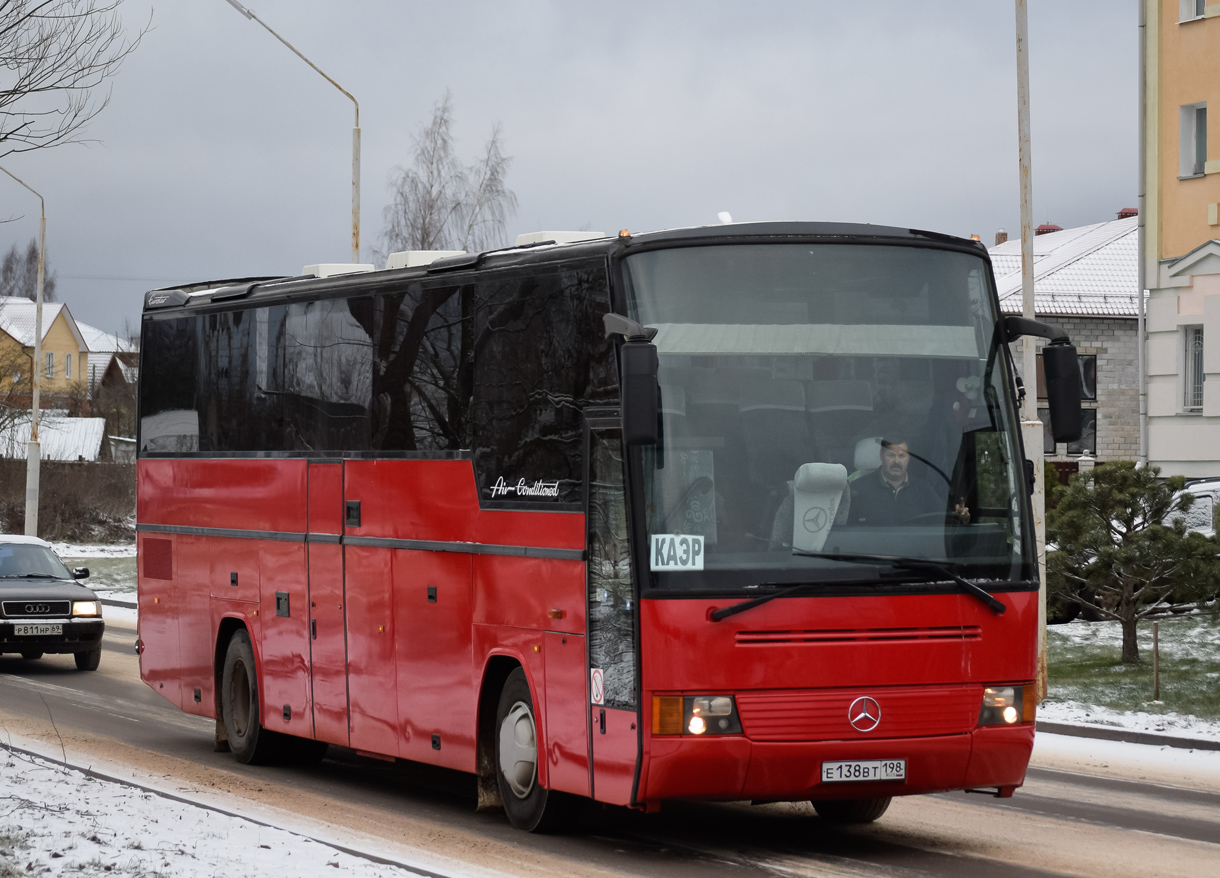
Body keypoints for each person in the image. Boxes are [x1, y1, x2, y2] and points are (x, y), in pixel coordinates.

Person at [849, 434, 969, 526]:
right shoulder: (857, 489)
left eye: (902, 456)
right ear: (881, 456)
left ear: (909, 458)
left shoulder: (923, 489)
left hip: (916, 555)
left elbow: (943, 524)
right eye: (891, 455)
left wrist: (960, 517)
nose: (897, 461)